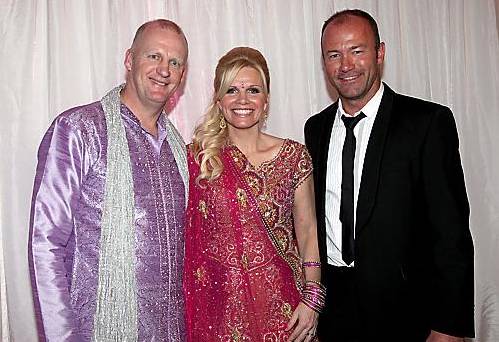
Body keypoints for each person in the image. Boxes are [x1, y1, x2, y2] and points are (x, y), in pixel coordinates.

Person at [304, 9, 474, 342]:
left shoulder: (427, 123)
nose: (346, 65)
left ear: (380, 53)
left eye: (357, 50)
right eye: (334, 55)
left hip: (408, 314)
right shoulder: (316, 129)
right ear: (324, 62)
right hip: (335, 313)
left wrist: (448, 327)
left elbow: (451, 232)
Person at [28, 19, 189, 341]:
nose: (164, 69)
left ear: (182, 75)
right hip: (96, 329)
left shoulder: (179, 149)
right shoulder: (79, 130)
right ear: (130, 60)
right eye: (153, 56)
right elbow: (45, 243)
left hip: (171, 331)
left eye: (175, 62)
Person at [184, 47, 324, 342]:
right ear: (219, 101)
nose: (243, 100)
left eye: (253, 90)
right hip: (220, 313)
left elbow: (308, 231)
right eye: (232, 90)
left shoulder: (293, 156)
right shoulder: (200, 160)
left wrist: (312, 299)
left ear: (266, 99)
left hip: (286, 313)